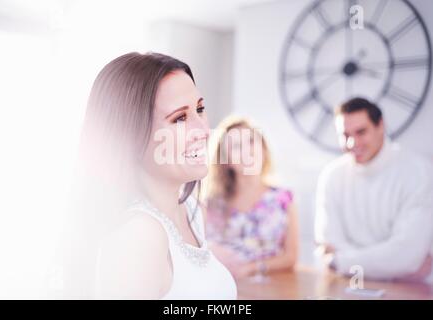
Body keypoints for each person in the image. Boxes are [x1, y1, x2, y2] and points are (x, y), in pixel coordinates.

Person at [69, 52, 237, 299]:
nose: (203, 130)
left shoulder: (193, 212)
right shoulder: (139, 236)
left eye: (200, 109)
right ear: (130, 135)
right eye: (179, 118)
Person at [315, 97, 433, 281]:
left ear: (381, 126)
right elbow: (329, 242)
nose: (352, 144)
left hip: (409, 290)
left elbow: (407, 256)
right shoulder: (332, 175)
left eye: (361, 132)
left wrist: (340, 262)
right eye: (345, 135)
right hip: (349, 285)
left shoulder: (418, 171)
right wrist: (390, 264)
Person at [205, 117, 298, 279]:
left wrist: (252, 268)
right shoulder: (210, 205)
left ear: (263, 148)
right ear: (225, 160)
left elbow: (290, 257)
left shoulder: (284, 199)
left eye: (251, 141)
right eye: (236, 146)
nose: (247, 151)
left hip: (270, 289)